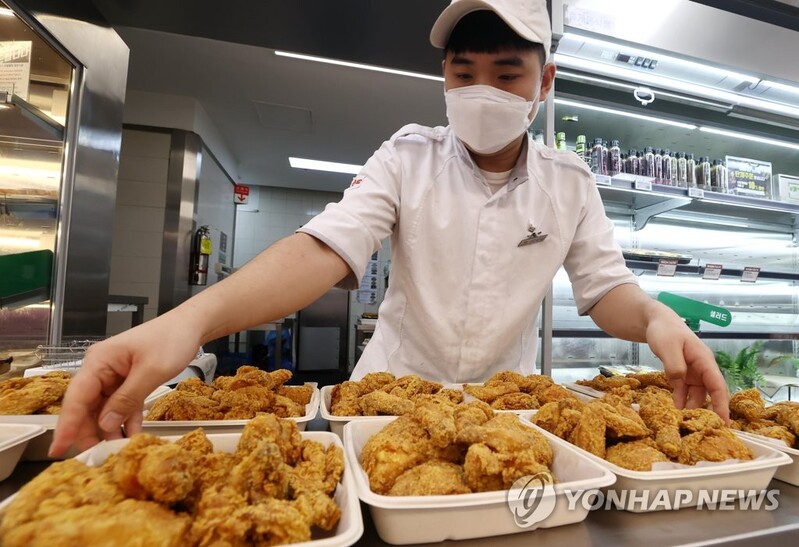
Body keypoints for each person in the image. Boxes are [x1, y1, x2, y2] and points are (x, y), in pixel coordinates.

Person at [51, 0, 729, 456]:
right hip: (383, 403)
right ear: (443, 77)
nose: (483, 91)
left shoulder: (569, 181)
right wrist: (190, 322)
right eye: (464, 74)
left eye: (506, 74)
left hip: (505, 412)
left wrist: (654, 319)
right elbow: (324, 248)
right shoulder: (408, 155)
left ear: (544, 82)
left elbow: (604, 288)